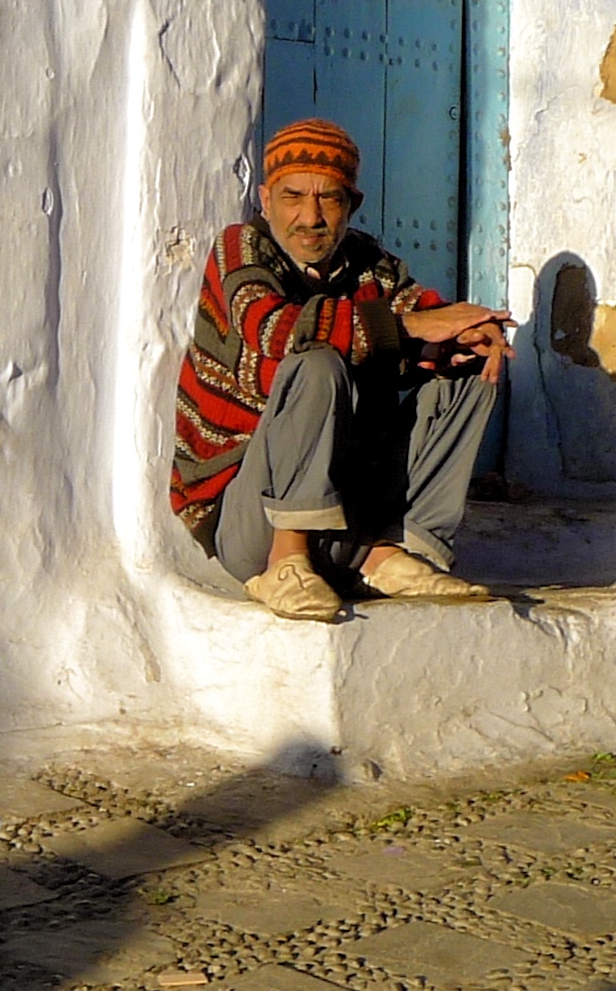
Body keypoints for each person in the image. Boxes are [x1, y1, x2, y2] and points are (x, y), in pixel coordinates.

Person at [169, 118, 511, 620]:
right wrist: (416, 326)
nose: (310, 217)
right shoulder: (240, 248)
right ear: (265, 200)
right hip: (249, 522)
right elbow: (276, 331)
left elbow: (421, 314)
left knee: (473, 368)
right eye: (292, 197)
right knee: (317, 362)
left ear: (353, 205)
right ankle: (288, 563)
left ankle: (394, 552)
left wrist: (463, 335)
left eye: (329, 198)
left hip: (346, 521)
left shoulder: (368, 263)